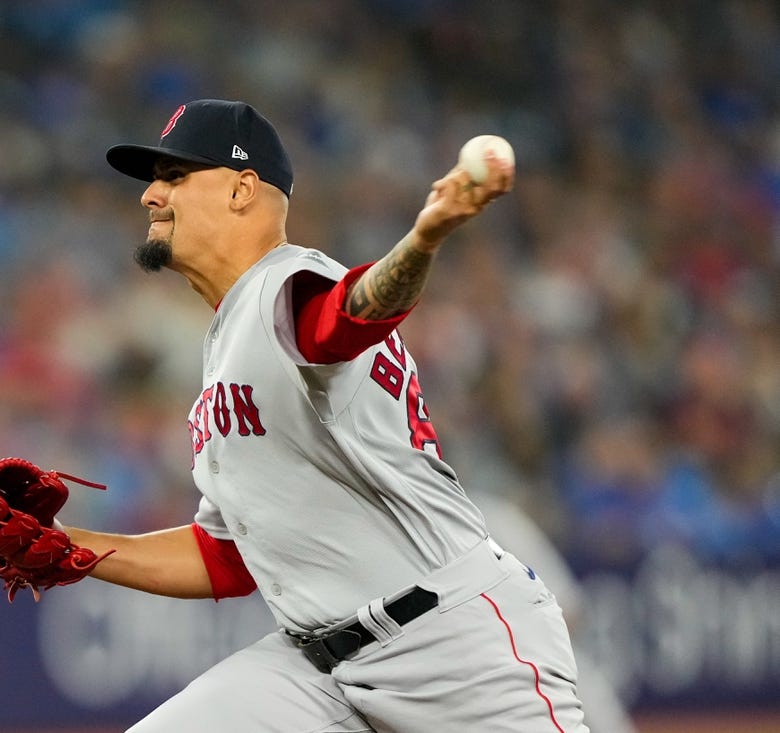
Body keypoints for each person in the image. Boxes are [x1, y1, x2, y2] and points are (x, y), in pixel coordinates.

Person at [58, 99, 589, 732]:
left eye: (174, 176)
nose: (150, 196)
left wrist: (423, 239)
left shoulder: (285, 284)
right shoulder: (231, 335)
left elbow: (348, 316)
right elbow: (224, 557)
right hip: (316, 672)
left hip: (453, 648)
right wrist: (69, 548)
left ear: (241, 189)